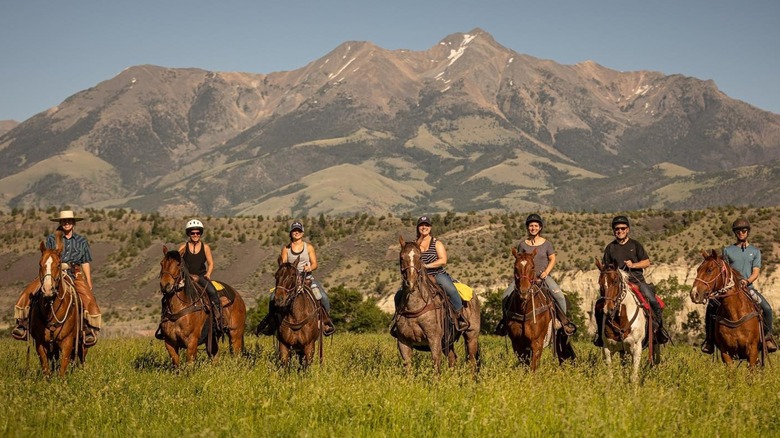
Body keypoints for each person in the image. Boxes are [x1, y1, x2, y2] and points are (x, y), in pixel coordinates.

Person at [12, 210, 102, 346]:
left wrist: (88, 281)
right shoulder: (52, 239)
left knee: (88, 298)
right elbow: (46, 257)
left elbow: (85, 262)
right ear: (60, 223)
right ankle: (23, 324)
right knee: (29, 291)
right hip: (52, 272)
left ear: (73, 223)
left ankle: (88, 329)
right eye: (64, 221)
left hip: (74, 273)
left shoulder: (82, 241)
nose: (66, 223)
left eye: (69, 221)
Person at [701, 218, 777, 354]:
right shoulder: (728, 250)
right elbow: (724, 271)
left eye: (743, 231)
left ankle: (767, 337)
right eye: (738, 231)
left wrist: (747, 281)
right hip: (729, 289)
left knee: (767, 308)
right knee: (711, 307)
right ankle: (709, 340)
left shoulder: (755, 251)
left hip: (748, 288)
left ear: (748, 232)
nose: (741, 233)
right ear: (735, 233)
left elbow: (756, 272)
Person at [494, 214, 577, 336]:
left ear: (540, 228)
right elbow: (519, 260)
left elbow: (552, 259)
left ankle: (563, 323)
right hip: (525, 278)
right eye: (531, 226)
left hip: (542, 276)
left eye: (535, 226)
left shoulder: (546, 244)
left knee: (559, 296)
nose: (533, 228)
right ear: (528, 228)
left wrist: (546, 272)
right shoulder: (523, 244)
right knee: (505, 296)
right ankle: (505, 323)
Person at [593, 215, 669, 346]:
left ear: (627, 229)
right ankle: (601, 334)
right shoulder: (610, 248)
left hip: (637, 281)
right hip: (617, 284)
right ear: (614, 231)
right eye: (617, 229)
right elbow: (606, 268)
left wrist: (633, 265)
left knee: (653, 301)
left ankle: (658, 331)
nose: (620, 231)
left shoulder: (635, 245)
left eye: (623, 228)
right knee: (600, 305)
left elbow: (646, 262)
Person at [257, 221, 335, 336]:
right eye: (294, 230)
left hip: (307, 279)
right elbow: (283, 266)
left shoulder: (308, 247)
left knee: (323, 297)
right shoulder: (286, 249)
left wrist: (309, 267)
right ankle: (272, 324)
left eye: (299, 230)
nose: (296, 232)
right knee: (273, 297)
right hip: (290, 282)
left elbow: (315, 264)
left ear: (302, 233)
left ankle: (325, 322)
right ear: (291, 233)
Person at [394, 216, 469, 331]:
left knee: (451, 290)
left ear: (430, 228)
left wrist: (427, 266)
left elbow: (443, 260)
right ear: (418, 228)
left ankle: (460, 317)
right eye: (421, 225)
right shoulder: (413, 245)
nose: (424, 227)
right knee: (399, 295)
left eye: (427, 225)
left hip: (436, 274)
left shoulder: (436, 243)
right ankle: (398, 321)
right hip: (418, 276)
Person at [179, 219, 223, 332]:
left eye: (198, 233)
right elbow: (178, 262)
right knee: (170, 293)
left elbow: (211, 263)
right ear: (189, 234)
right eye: (193, 233)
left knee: (213, 292)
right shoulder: (183, 247)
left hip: (201, 276)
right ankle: (165, 322)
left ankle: (218, 319)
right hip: (187, 277)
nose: (195, 235)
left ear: (200, 234)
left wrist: (208, 273)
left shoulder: (205, 247)